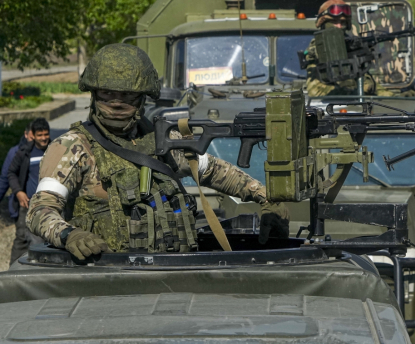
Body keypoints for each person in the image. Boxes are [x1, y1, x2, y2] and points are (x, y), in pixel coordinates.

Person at [26, 43, 289, 261]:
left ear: (142, 98)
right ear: (94, 94)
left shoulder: (162, 140)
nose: (117, 103)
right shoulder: (72, 147)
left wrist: (267, 199)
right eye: (108, 94)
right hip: (106, 277)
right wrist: (69, 235)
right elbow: (40, 211)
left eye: (127, 95)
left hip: (175, 272)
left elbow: (215, 171)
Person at [304, 0, 378, 97]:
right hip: (331, 102)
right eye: (334, 22)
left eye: (342, 22)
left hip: (357, 99)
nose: (339, 26)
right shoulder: (318, 46)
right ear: (324, 23)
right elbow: (316, 92)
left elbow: (368, 84)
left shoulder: (351, 44)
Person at [6, 119, 49, 262]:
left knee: (45, 240)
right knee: (22, 239)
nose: (43, 138)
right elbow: (11, 173)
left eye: (46, 134)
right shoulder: (24, 152)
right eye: (40, 135)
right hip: (27, 203)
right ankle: (13, 273)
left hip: (50, 204)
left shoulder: (55, 149)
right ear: (34, 136)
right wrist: (18, 192)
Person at [0, 126, 33, 218]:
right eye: (31, 138)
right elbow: (5, 179)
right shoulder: (14, 152)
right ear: (26, 135)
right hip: (21, 205)